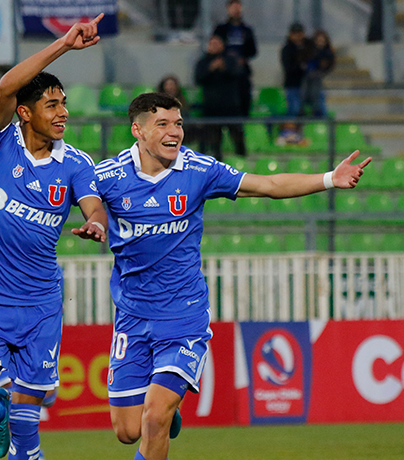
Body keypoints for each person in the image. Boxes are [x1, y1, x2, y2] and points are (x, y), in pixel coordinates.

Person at [92, 92, 370, 460]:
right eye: (163, 124)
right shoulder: (108, 176)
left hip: (183, 315)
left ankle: (165, 409)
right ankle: (168, 409)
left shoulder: (198, 170)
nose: (175, 132)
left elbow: (268, 186)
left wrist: (329, 179)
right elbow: (62, 199)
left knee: (154, 418)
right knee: (127, 431)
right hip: (132, 315)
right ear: (138, 131)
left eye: (178, 124)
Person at [0, 15, 107, 460]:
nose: (63, 113)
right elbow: (3, 88)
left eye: (64, 104)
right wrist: (64, 43)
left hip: (41, 304)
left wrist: (96, 223)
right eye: (52, 104)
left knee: (29, 421)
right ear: (26, 112)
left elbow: (92, 204)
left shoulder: (75, 162)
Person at [194, 34, 246, 159]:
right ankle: (216, 160)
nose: (214, 46)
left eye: (217, 43)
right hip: (212, 107)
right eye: (212, 44)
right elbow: (198, 79)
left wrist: (224, 67)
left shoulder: (231, 60)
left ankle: (241, 158)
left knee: (237, 135)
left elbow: (239, 75)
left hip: (231, 106)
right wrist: (211, 69)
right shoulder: (203, 62)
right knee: (213, 139)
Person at [213, 0, 257, 117]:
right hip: (226, 73)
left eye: (238, 7)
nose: (236, 10)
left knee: (244, 99)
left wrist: (243, 58)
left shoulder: (247, 30)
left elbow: (253, 50)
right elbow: (214, 46)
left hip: (242, 72)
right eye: (233, 7)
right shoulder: (221, 29)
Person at [301, 30, 334, 118]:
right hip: (308, 79)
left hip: (318, 79)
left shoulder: (327, 53)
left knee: (318, 96)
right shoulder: (309, 51)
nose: (320, 43)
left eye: (322, 41)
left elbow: (327, 65)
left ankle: (319, 114)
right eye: (318, 41)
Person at [281, 22, 309, 117]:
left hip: (307, 85)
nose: (298, 37)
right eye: (295, 34)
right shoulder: (287, 49)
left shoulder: (307, 47)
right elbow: (288, 67)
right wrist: (301, 67)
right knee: (294, 109)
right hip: (293, 84)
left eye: (300, 33)